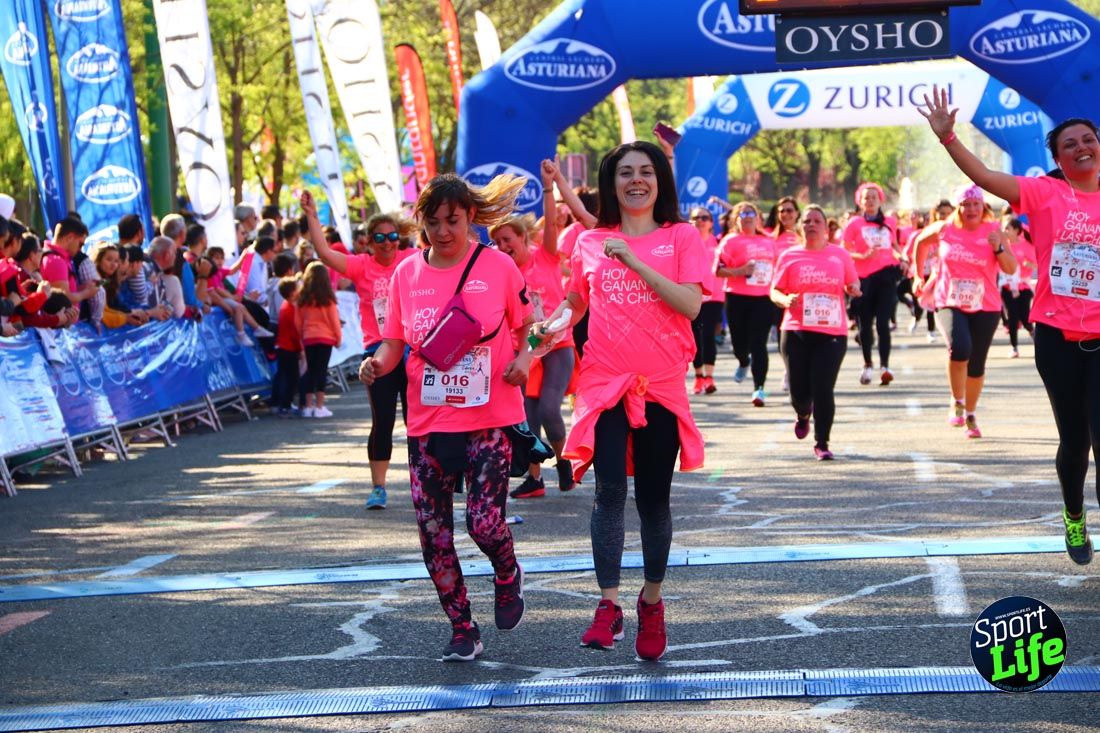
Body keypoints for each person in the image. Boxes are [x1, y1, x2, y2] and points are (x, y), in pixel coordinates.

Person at [539, 141, 706, 661]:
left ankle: (651, 602)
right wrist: (545, 330)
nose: (637, 180)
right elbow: (574, 301)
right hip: (604, 379)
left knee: (653, 500)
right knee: (609, 491)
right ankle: (607, 604)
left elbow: (691, 304)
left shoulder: (681, 236)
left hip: (659, 383)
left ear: (660, 182)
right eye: (626, 173)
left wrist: (635, 262)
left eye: (646, 172)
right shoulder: (590, 241)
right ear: (611, 183)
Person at [357, 173, 534, 661]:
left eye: (452, 221)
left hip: (489, 416)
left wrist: (524, 360)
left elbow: (530, 328)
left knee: (483, 522)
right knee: (433, 534)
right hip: (428, 422)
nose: (442, 232)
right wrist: (376, 363)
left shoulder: (497, 266)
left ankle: (506, 572)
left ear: (470, 217)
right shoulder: (406, 274)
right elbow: (394, 342)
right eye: (432, 222)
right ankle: (462, 627)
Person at [921, 88, 1099, 564]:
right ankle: (1074, 514)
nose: (1082, 146)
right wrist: (948, 137)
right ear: (1059, 159)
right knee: (1075, 441)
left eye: (1089, 138)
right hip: (1057, 336)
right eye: (1070, 144)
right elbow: (983, 175)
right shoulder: (1044, 192)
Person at [301, 194, 414, 510]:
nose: (388, 243)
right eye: (380, 238)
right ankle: (378, 487)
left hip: (413, 349)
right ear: (370, 241)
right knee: (383, 420)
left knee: (417, 420)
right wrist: (312, 214)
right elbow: (323, 253)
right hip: (378, 352)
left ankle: (424, 482)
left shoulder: (412, 258)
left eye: (393, 237)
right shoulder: (362, 266)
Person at [491, 164, 575, 497]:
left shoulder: (547, 256)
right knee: (526, 416)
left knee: (550, 409)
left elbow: (552, 222)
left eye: (507, 239)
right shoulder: (502, 272)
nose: (502, 246)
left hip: (557, 346)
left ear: (523, 237)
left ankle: (564, 462)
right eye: (497, 242)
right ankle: (535, 479)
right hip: (525, 349)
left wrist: (547, 187)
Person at [913, 185, 1017, 439]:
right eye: (966, 205)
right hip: (949, 300)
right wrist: (918, 275)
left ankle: (970, 413)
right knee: (960, 348)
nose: (971, 209)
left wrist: (999, 249)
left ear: (983, 207)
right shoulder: (945, 229)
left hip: (986, 305)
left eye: (975, 204)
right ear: (959, 208)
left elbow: (1011, 268)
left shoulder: (994, 231)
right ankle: (957, 400)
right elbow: (919, 242)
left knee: (977, 363)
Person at [771, 205, 861, 460]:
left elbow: (852, 282)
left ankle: (822, 442)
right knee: (799, 391)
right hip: (796, 329)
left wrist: (854, 288)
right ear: (801, 226)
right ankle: (802, 412)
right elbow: (774, 290)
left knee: (823, 387)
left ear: (826, 227)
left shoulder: (840, 255)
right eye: (807, 221)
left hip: (831, 331)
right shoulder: (790, 255)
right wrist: (784, 299)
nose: (811, 225)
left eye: (817, 221)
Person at [716, 201, 776, 405]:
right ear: (736, 219)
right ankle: (743, 361)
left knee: (759, 343)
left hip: (764, 298)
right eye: (742, 213)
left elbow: (778, 268)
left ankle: (759, 388)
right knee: (739, 344)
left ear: (758, 217)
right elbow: (717, 270)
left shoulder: (769, 241)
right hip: (737, 297)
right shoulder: (730, 241)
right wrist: (740, 271)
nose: (748, 216)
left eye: (751, 212)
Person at [843, 182, 902, 386]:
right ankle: (868, 364)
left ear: (880, 200)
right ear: (860, 201)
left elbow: (894, 246)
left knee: (883, 323)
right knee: (865, 324)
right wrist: (862, 255)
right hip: (863, 279)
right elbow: (844, 251)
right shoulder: (854, 224)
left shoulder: (890, 222)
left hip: (885, 277)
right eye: (866, 197)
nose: (870, 201)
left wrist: (902, 258)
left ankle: (885, 366)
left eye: (873, 197)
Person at [294, 261, 342, 418]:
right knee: (322, 371)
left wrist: (302, 336)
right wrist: (338, 338)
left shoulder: (303, 298)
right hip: (325, 338)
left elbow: (298, 321)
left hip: (309, 338)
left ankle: (308, 406)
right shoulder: (328, 299)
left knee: (310, 371)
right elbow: (334, 321)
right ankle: (320, 406)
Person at [688, 206, 724, 395]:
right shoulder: (686, 243)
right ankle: (698, 375)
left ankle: (709, 377)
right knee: (695, 337)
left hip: (714, 296)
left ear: (711, 222)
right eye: (696, 218)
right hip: (692, 296)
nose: (700, 221)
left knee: (708, 335)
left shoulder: (718, 242)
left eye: (704, 217)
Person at [1001, 217, 1036, 358]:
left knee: (1025, 317)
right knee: (1012, 317)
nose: (1005, 231)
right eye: (1003, 228)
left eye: (1007, 228)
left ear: (1016, 230)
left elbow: (1036, 264)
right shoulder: (1002, 246)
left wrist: (1029, 265)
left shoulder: (1026, 245)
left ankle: (1034, 335)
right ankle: (1014, 347)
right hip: (1008, 287)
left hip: (1023, 286)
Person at [273, 277, 303, 418]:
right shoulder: (289, 309)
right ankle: (284, 405)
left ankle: (283, 404)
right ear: (292, 293)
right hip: (288, 348)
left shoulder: (287, 306)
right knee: (292, 378)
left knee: (285, 376)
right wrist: (301, 349)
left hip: (285, 347)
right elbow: (294, 331)